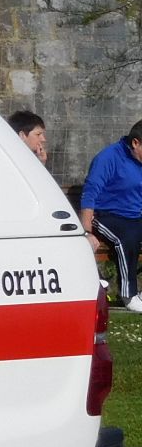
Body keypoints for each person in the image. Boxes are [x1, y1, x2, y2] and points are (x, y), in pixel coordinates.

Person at [81, 119, 142, 312]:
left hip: (136, 216)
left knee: (132, 231)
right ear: (135, 143)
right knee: (127, 238)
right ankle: (128, 294)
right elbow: (90, 192)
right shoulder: (109, 157)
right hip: (107, 214)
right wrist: (85, 232)